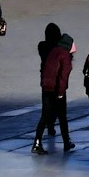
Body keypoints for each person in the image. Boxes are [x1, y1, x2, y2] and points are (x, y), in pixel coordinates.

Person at [31, 23, 74, 154]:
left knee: (44, 115)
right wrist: (61, 92)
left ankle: (37, 142)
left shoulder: (42, 46)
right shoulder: (61, 51)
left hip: (46, 84)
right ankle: (66, 142)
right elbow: (63, 74)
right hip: (57, 86)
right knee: (62, 115)